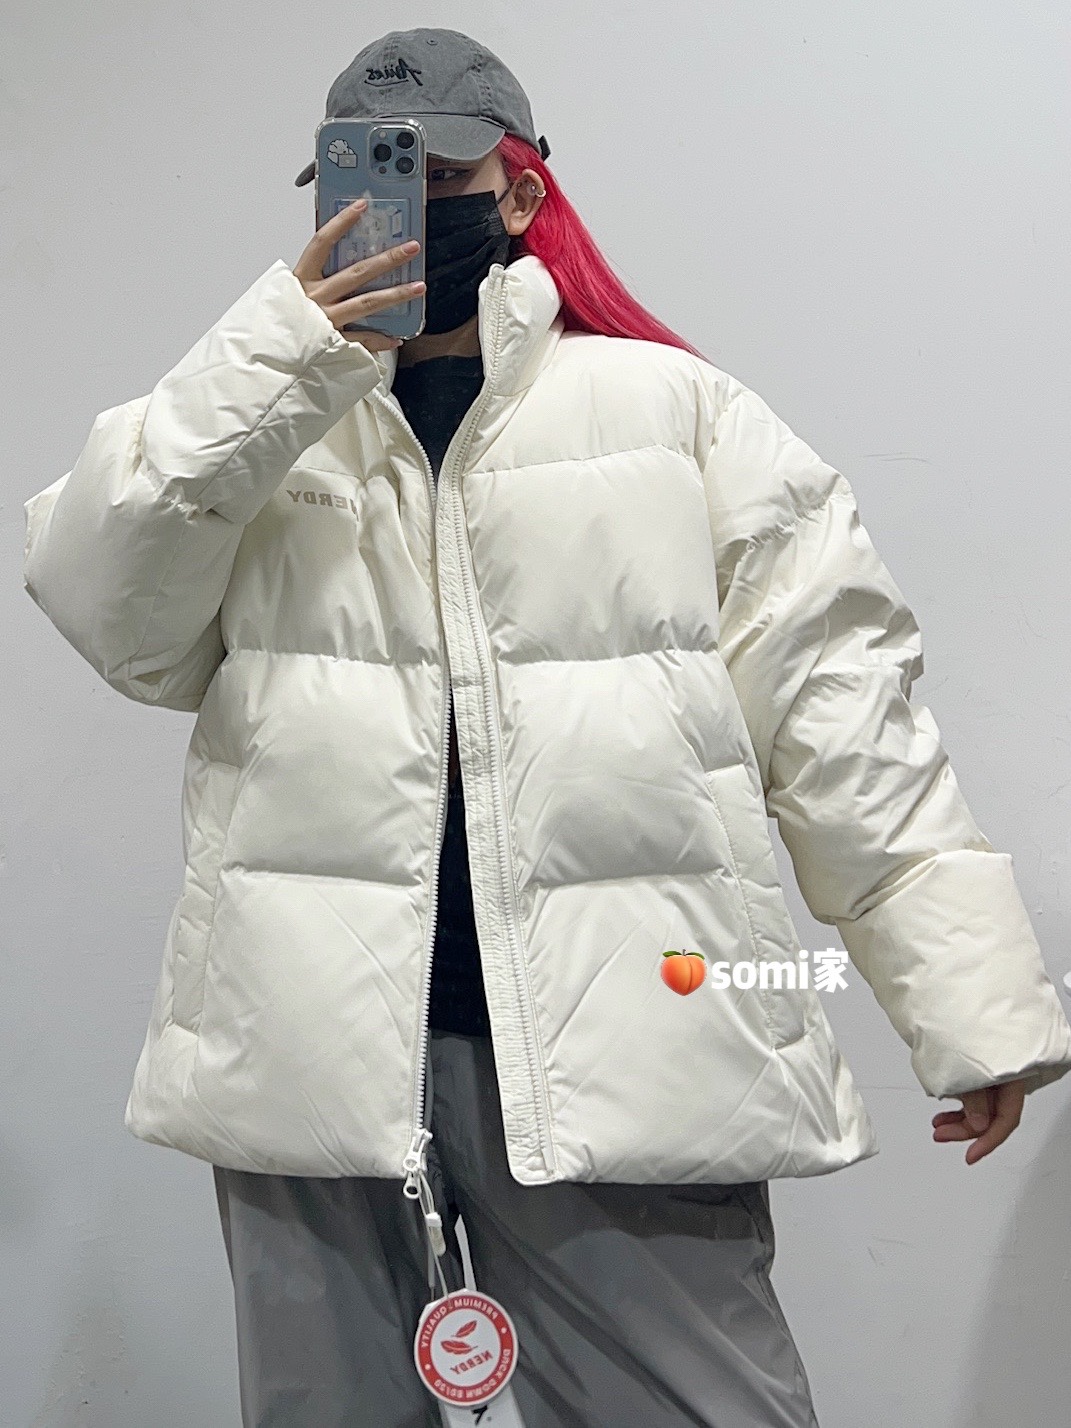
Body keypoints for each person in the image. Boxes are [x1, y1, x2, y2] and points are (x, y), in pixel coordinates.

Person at [21, 25, 1071, 1428]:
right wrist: (278, 357)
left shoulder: (675, 415)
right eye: (366, 178)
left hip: (625, 1050)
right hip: (309, 1067)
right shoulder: (257, 434)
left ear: (521, 194)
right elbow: (106, 609)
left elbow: (843, 712)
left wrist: (971, 1005)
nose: (401, 210)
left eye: (439, 176)